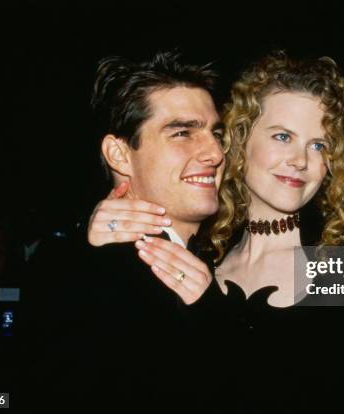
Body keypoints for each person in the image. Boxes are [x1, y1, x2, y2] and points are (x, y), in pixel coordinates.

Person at [88, 51, 344, 413]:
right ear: (238, 141)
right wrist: (97, 233)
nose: (301, 160)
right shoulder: (199, 260)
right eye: (283, 136)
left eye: (319, 146)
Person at [19, 51, 225, 411]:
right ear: (119, 154)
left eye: (215, 133)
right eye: (181, 133)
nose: (215, 152)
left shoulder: (231, 252)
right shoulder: (78, 275)